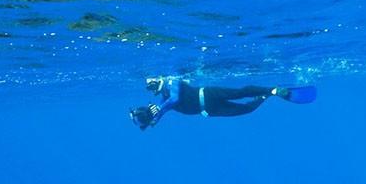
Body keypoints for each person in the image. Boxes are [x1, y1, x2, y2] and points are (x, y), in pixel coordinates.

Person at [129, 77, 316, 130]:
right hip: (209, 109)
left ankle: (271, 90)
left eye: (152, 85)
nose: (153, 88)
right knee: (246, 109)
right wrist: (153, 120)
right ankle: (269, 94)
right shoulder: (164, 100)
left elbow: (175, 99)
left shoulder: (172, 83)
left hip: (208, 94)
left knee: (240, 93)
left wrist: (159, 110)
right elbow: (162, 110)